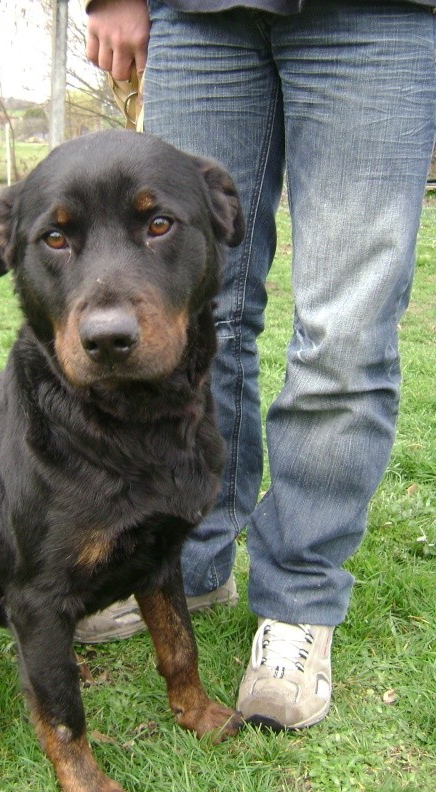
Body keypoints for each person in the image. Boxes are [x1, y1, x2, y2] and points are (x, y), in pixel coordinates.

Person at [80, 0, 436, 730]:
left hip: (384, 19)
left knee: (347, 329)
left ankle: (299, 598)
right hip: (201, 17)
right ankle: (195, 560)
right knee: (188, 322)